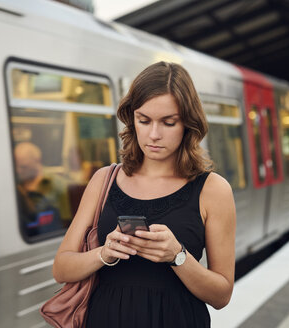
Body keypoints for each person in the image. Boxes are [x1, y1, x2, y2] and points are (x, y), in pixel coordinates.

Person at [52, 62, 236, 327]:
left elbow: (221, 295)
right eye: (144, 120)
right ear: (132, 119)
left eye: (168, 122)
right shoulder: (104, 180)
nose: (154, 135)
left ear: (188, 124)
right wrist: (106, 252)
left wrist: (177, 255)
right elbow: (61, 268)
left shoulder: (213, 190)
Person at [14, 142, 70, 235]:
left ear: (37, 161)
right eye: (16, 166)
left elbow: (68, 220)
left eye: (23, 166)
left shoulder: (56, 183)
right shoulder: (17, 185)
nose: (18, 170)